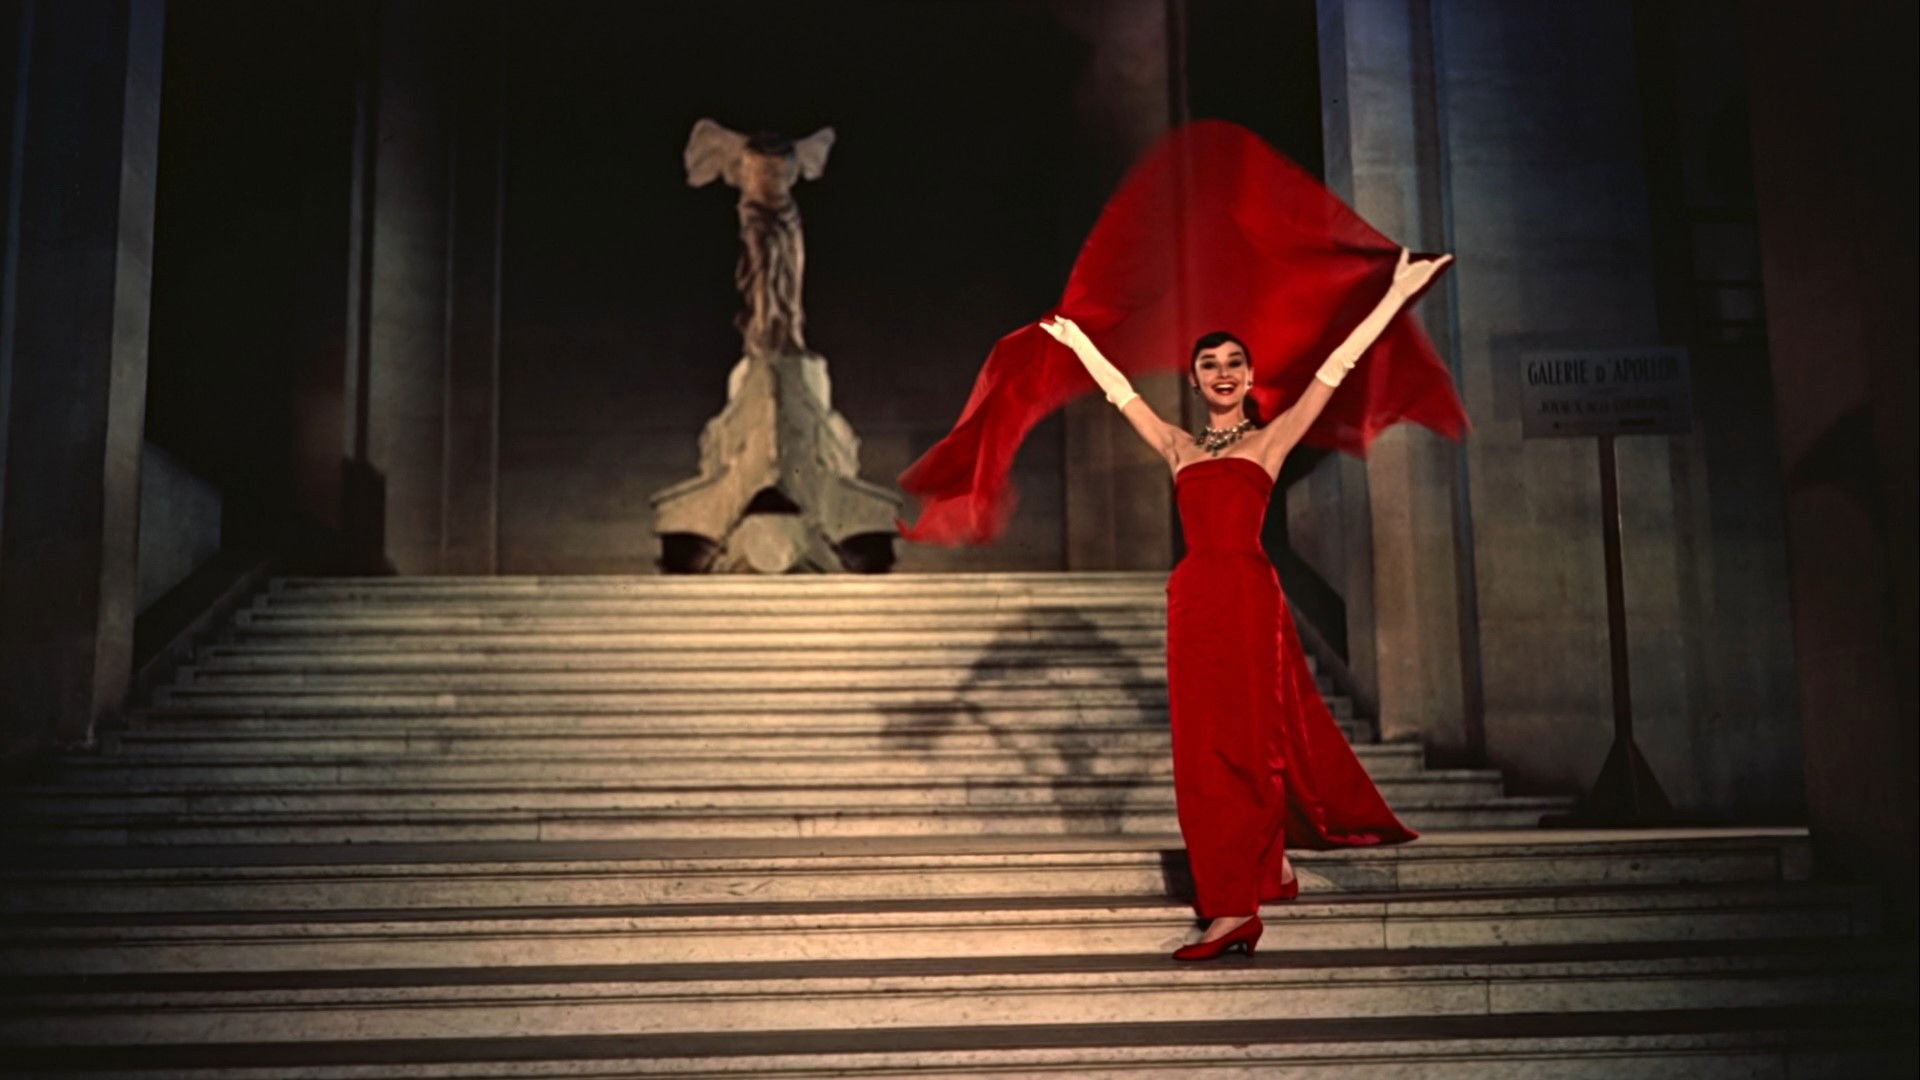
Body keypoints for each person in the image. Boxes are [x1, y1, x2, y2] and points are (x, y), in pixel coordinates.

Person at [1038, 247, 1451, 960]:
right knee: (1203, 753)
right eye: (1209, 364)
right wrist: (1079, 344)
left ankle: (1233, 908)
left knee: (1247, 744)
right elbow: (1121, 395)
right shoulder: (1178, 448)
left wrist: (1394, 296)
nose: (1223, 371)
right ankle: (1265, 869)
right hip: (1193, 601)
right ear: (1196, 380)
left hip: (1249, 597)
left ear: (1250, 378)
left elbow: (1335, 370)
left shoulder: (1270, 441)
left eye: (1234, 362)